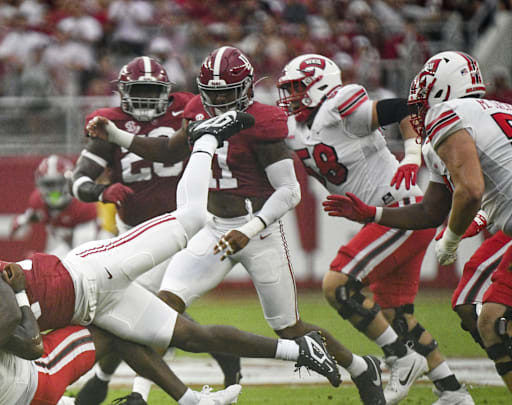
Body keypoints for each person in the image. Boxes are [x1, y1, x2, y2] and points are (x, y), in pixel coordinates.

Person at [0, 111, 342, 399]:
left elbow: (10, 318)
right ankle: (300, 350)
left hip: (94, 272)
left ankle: (206, 137)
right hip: (92, 309)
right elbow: (29, 345)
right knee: (190, 336)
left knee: (192, 219)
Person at [86, 46, 376, 404]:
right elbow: (169, 151)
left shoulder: (262, 122)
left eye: (227, 94)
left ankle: (362, 367)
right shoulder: (196, 111)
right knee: (160, 311)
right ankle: (142, 396)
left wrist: (250, 229)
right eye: (213, 95)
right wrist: (115, 135)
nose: (220, 102)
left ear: (247, 88)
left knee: (289, 327)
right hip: (214, 228)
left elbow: (289, 191)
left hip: (259, 231)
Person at [277, 53, 473, 405]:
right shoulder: (296, 130)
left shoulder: (340, 105)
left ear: (319, 84)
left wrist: (412, 156)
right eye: (287, 89)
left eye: (296, 88)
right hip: (385, 216)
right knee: (394, 314)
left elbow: (402, 108)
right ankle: (452, 391)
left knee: (338, 285)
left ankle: (400, 357)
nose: (290, 96)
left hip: (399, 212)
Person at [322, 51, 512, 394]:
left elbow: (469, 191)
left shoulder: (446, 114)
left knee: (492, 320)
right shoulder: (497, 112)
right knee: (492, 318)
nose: (420, 109)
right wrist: (373, 214)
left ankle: (414, 365)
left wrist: (451, 240)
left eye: (425, 98)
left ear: (443, 91)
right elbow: (431, 212)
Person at [71, 55, 241, 401]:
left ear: (167, 91)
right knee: (144, 310)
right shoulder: (109, 124)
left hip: (185, 227)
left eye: (153, 90)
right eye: (139, 90)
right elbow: (78, 182)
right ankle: (221, 349)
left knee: (141, 308)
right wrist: (102, 191)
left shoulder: (185, 108)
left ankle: (129, 389)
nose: (147, 98)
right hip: (133, 233)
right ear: (123, 92)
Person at [0, 270, 242, 405]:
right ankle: (190, 401)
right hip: (40, 378)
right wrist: (18, 296)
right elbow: (30, 343)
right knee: (115, 328)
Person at [11, 154, 98, 258]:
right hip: (59, 238)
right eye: (49, 184)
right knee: (47, 262)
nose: (55, 191)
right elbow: (18, 227)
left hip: (90, 238)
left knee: (79, 258)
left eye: (60, 183)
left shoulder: (82, 203)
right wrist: (24, 220)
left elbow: (82, 252)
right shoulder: (37, 200)